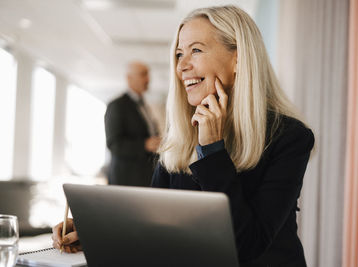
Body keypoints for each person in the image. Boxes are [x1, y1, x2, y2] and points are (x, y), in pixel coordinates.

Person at [52, 5, 314, 266]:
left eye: (196, 50)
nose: (182, 67)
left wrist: (212, 150)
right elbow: (154, 228)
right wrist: (95, 233)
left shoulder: (289, 138)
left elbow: (245, 246)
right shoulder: (180, 138)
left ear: (239, 59)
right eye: (179, 54)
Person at [104, 61, 160, 186]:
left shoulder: (144, 106)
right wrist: (145, 145)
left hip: (145, 177)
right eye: (143, 74)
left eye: (148, 74)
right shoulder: (117, 105)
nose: (148, 79)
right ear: (129, 78)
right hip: (126, 180)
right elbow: (114, 144)